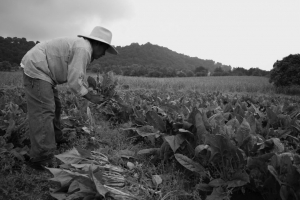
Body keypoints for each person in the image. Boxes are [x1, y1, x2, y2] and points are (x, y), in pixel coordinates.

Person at [21, 26, 118, 169]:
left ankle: (56, 140)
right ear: (98, 44)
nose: (104, 54)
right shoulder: (83, 49)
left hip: (44, 72)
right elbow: (74, 83)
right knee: (43, 110)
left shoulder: (83, 47)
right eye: (104, 49)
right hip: (37, 67)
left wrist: (88, 90)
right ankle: (41, 157)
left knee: (56, 107)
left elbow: (77, 76)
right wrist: (92, 97)